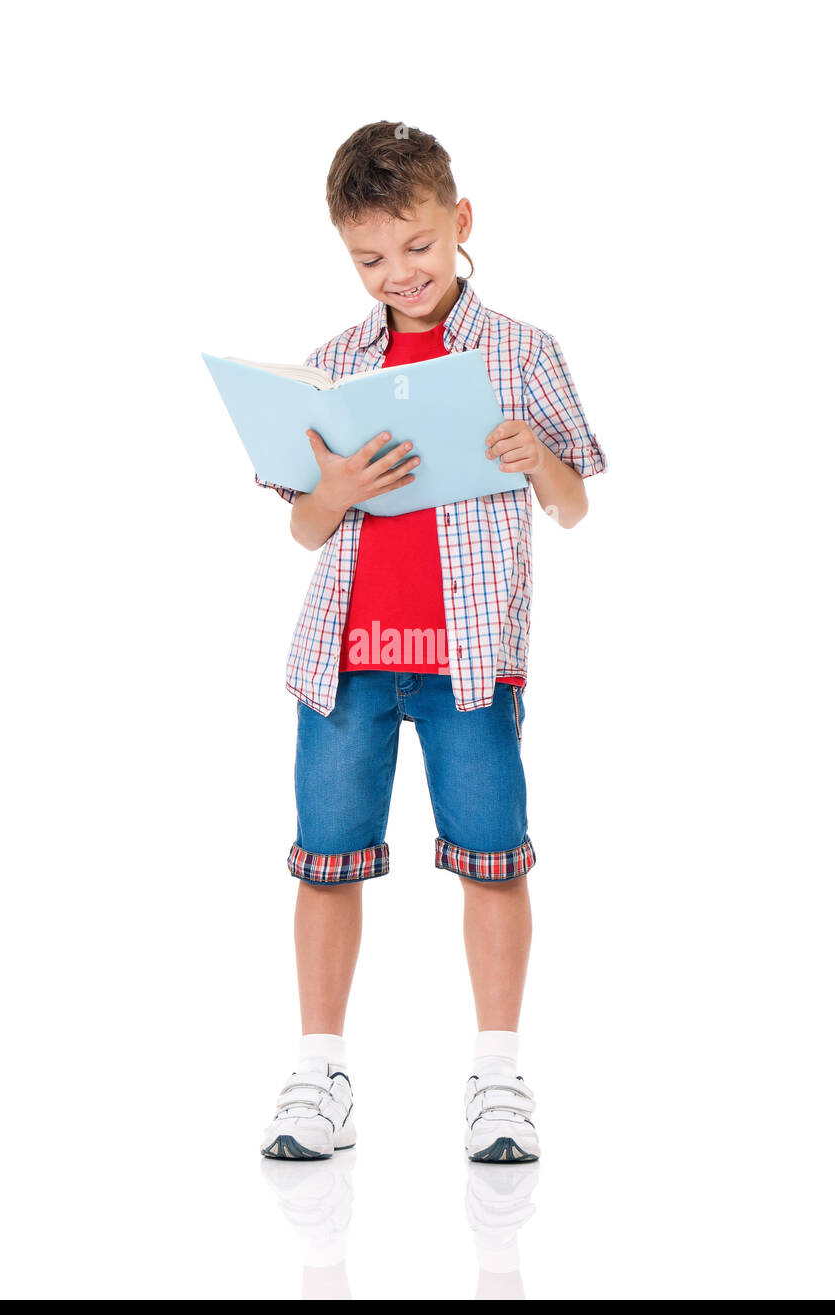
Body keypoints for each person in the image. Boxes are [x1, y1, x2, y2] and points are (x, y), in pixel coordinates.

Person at [256, 121, 607, 1164]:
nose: (397, 274)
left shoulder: (521, 352)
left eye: (415, 246)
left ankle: (497, 1076)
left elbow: (573, 504)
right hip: (345, 662)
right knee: (326, 861)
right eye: (369, 258)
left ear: (458, 223)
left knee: (491, 859)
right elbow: (302, 525)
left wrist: (537, 456)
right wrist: (334, 490)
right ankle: (320, 1070)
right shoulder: (331, 365)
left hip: (468, 662)